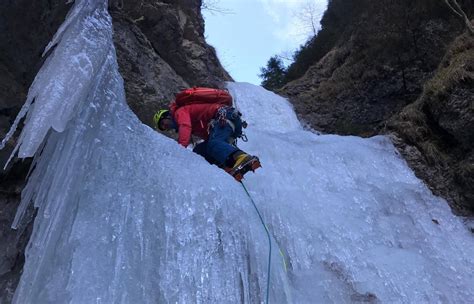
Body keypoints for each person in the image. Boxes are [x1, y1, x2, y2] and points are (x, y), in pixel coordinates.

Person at [153, 88, 260, 181]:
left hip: (224, 115)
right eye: (163, 128)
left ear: (167, 116)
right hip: (225, 122)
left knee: (213, 144)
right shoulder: (193, 123)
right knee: (200, 151)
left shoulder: (179, 112)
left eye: (163, 123)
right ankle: (228, 166)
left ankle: (242, 158)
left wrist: (179, 150)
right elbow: (208, 135)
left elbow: (185, 126)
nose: (165, 127)